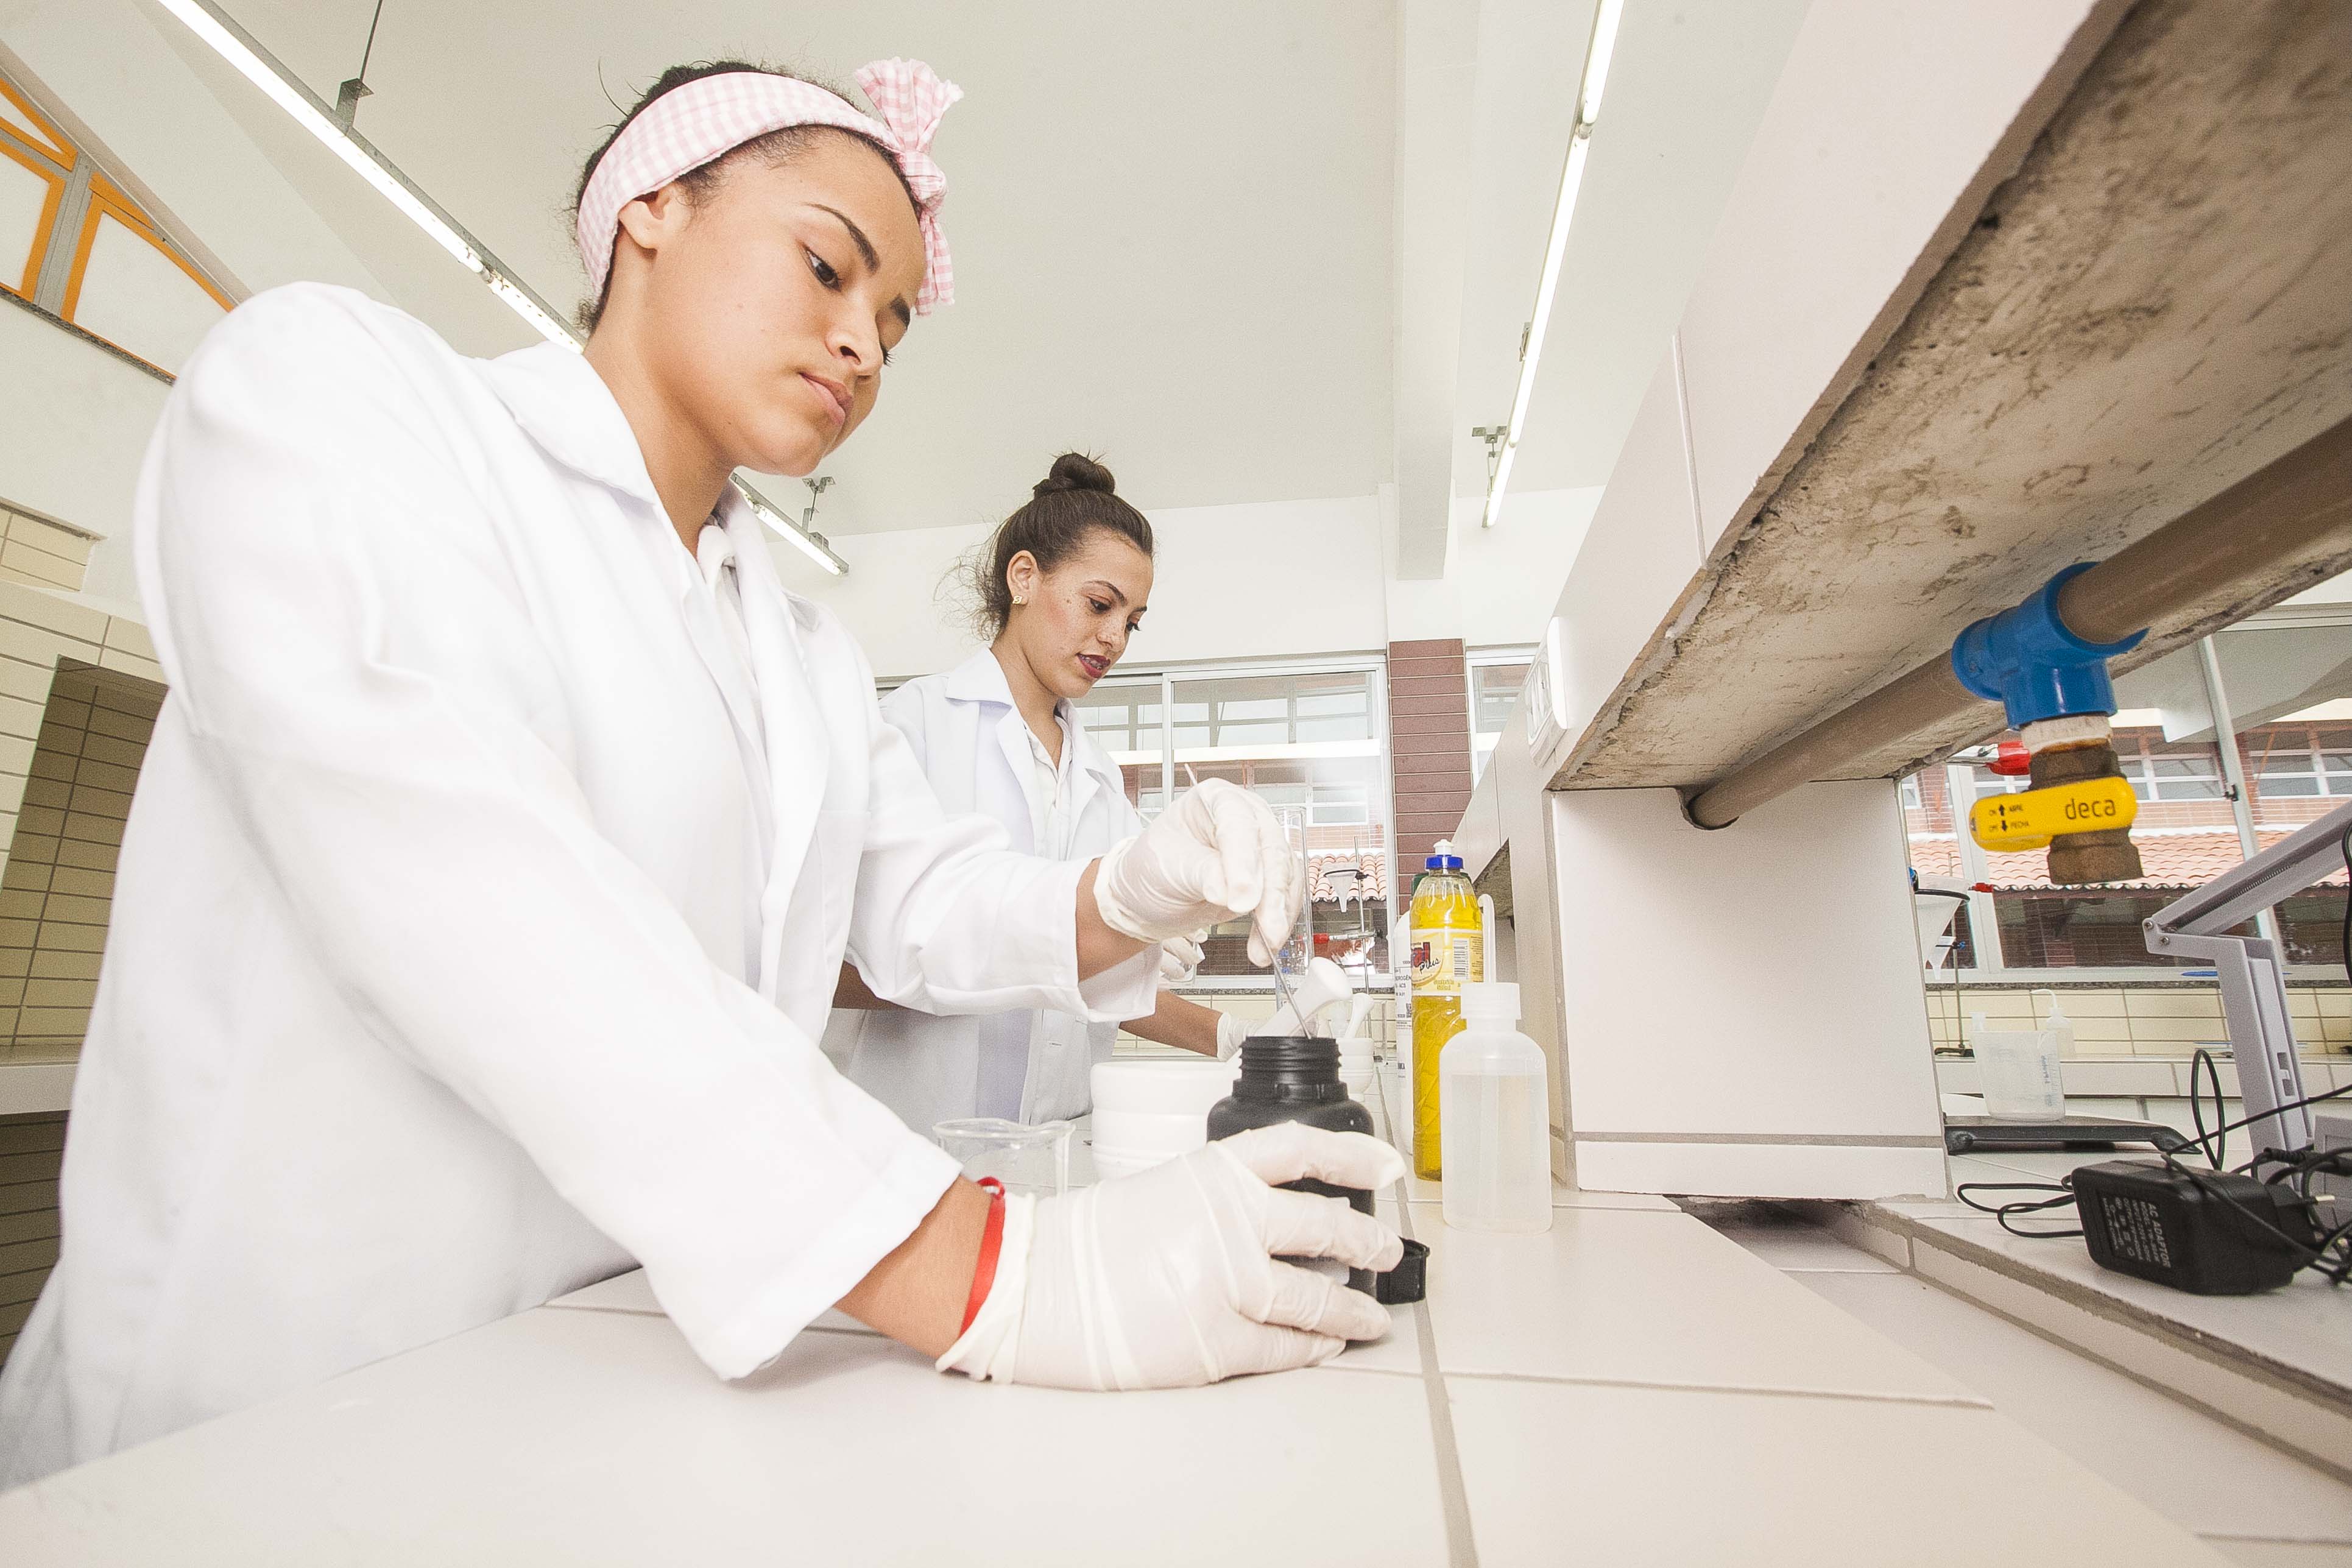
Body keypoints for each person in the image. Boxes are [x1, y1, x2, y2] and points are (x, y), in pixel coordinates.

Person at [0, 57, 1403, 1485]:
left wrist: (1131, 883)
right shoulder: (338, 399)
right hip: (248, 1411)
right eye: (826, 267)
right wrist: (975, 1264)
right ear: (650, 207)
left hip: (599, 1388)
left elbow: (932, 908)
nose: (861, 342)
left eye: (893, 322)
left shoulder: (795, 653)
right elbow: (473, 885)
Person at [824, 453, 1246, 1129]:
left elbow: (1096, 987)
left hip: (1057, 1145)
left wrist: (1236, 1040)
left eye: (1132, 621)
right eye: (1100, 604)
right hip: (914, 1144)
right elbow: (825, 964)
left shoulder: (1101, 779)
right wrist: (1037, 943)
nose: (1114, 637)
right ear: (1024, 576)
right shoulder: (911, 730)